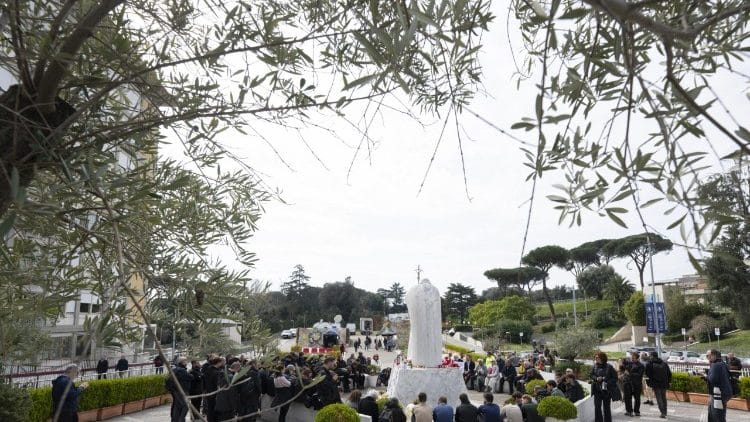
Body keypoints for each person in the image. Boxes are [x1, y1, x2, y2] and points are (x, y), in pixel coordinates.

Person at [589, 351, 618, 422]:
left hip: (606, 391)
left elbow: (615, 378)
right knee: (597, 408)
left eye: (597, 357)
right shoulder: (594, 366)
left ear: (602, 358)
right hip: (597, 390)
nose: (595, 359)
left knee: (606, 408)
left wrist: (606, 381)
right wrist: (596, 378)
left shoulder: (609, 367)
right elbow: (591, 375)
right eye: (595, 357)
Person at [167, 357, 197, 422]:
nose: (186, 363)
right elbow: (191, 377)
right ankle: (181, 420)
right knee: (185, 406)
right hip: (181, 390)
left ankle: (175, 420)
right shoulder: (181, 370)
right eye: (185, 361)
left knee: (177, 406)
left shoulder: (174, 369)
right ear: (182, 362)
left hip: (176, 390)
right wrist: (190, 373)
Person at [707, 349, 733, 422]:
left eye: (708, 356)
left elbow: (713, 380)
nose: (707, 358)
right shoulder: (722, 363)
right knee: (720, 413)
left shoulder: (715, 365)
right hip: (726, 392)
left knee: (716, 415)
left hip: (718, 394)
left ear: (713, 355)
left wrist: (706, 376)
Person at [645, 350, 671, 419]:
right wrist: (669, 382)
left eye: (650, 356)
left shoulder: (649, 364)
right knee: (663, 398)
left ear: (652, 356)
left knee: (659, 398)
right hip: (664, 383)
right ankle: (665, 412)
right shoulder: (664, 363)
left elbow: (647, 374)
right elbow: (669, 373)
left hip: (656, 384)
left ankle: (662, 412)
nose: (649, 357)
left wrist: (649, 383)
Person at [623, 352, 645, 416]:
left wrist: (630, 374)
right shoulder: (630, 364)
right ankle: (629, 411)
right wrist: (625, 359)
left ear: (637, 358)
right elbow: (623, 364)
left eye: (633, 358)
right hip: (628, 383)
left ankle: (637, 411)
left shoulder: (641, 365)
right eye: (631, 357)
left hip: (636, 384)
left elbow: (639, 375)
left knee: (637, 398)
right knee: (627, 398)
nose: (632, 359)